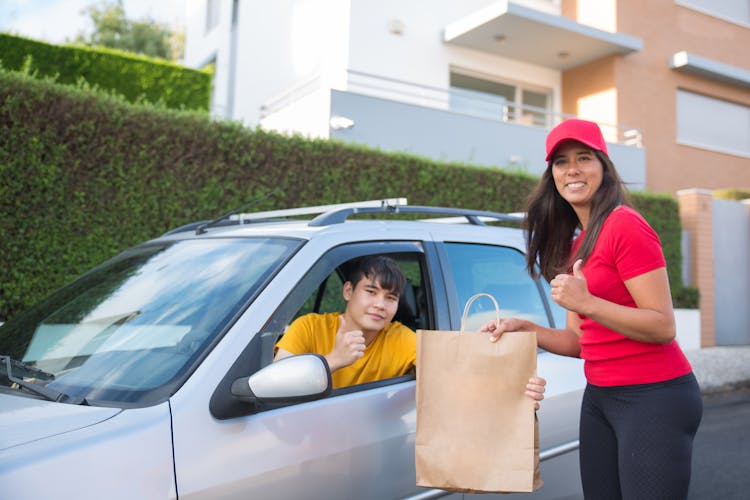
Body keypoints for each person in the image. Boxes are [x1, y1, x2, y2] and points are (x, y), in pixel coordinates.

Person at [481, 118, 703, 499]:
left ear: (604, 166)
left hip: (654, 396)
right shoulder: (578, 244)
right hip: (600, 396)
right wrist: (527, 329)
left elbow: (663, 325)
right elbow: (581, 342)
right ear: (551, 174)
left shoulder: (625, 226)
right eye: (561, 162)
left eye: (584, 157)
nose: (573, 170)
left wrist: (587, 302)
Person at [275, 255, 546, 406]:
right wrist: (334, 359)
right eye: (370, 292)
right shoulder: (309, 327)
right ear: (348, 291)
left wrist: (517, 391)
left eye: (391, 298)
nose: (380, 305)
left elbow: (457, 369)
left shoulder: (399, 337)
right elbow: (274, 389)